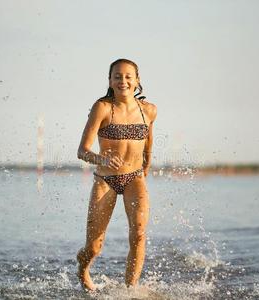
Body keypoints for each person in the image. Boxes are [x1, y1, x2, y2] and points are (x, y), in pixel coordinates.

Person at [76, 58, 157, 291]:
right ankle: (82, 269)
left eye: (128, 76)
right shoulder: (102, 107)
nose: (123, 81)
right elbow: (82, 151)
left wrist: (146, 166)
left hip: (134, 178)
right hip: (105, 180)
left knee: (139, 234)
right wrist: (102, 159)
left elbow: (148, 143)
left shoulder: (149, 111)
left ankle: (130, 290)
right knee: (94, 247)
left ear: (137, 81)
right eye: (117, 76)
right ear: (110, 81)